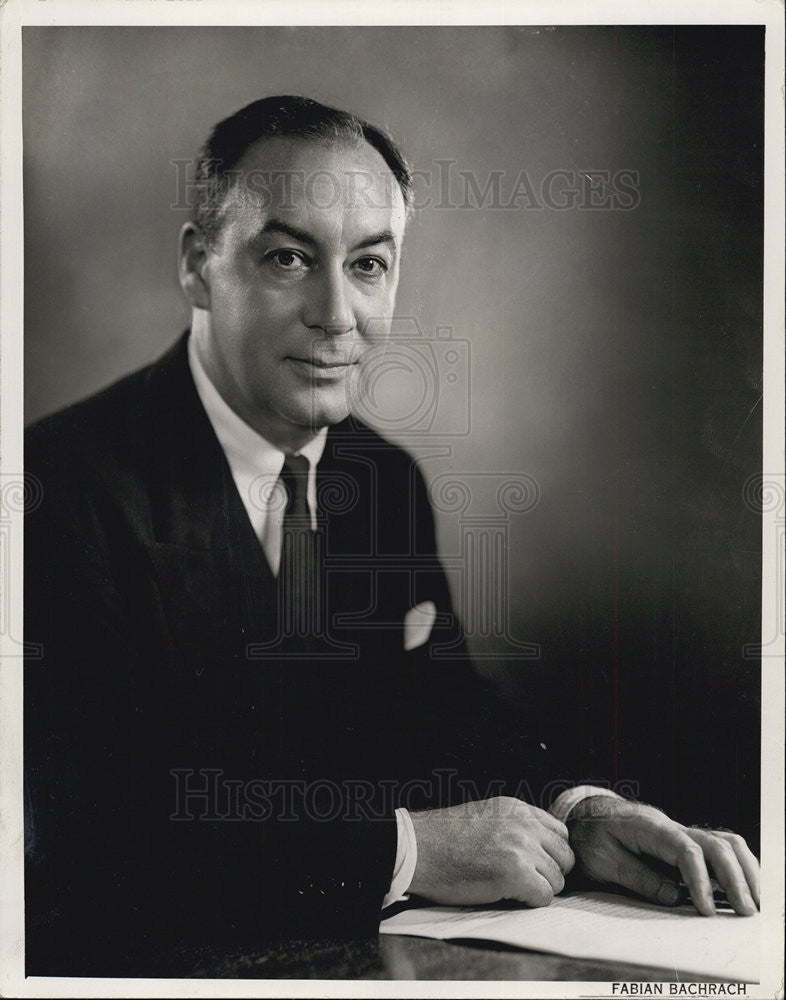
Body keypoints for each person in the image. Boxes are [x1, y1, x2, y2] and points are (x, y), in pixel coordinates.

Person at [24, 96, 760, 976]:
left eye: (369, 264)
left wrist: (580, 813)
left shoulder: (382, 480)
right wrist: (408, 851)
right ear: (197, 266)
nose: (338, 313)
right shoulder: (54, 491)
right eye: (289, 257)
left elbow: (439, 713)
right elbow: (87, 844)